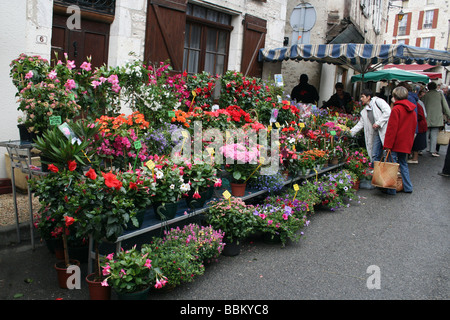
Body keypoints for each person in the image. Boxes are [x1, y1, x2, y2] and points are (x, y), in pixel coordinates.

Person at [382, 86, 417, 195]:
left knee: (392, 165)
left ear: (395, 96)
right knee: (403, 164)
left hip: (396, 142)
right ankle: (408, 187)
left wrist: (387, 145)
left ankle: (391, 189)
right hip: (406, 143)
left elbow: (392, 129)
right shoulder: (412, 110)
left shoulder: (396, 109)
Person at [350, 88, 391, 163]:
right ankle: (375, 172)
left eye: (362, 96)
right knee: (374, 154)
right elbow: (360, 124)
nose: (361, 99)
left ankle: (385, 172)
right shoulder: (364, 111)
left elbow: (388, 111)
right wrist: (349, 132)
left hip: (385, 131)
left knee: (386, 154)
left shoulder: (378, 101)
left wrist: (378, 123)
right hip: (376, 134)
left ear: (368, 97)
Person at [421, 81, 450, 157]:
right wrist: (448, 115)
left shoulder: (425, 96)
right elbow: (445, 106)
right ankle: (433, 150)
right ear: (435, 87)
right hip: (437, 117)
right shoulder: (440, 95)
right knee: (434, 134)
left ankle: (423, 149)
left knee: (426, 133)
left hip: (427, 117)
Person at [408, 87, 428, 164]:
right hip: (419, 125)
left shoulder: (417, 104)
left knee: (416, 143)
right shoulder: (418, 102)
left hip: (419, 125)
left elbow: (422, 115)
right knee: (415, 142)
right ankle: (413, 157)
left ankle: (414, 158)